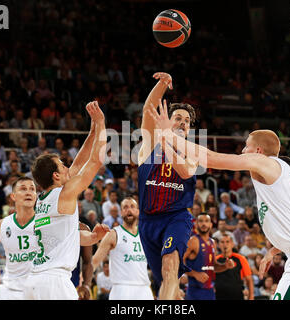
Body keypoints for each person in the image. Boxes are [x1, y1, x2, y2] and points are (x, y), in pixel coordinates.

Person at [151, 106, 290, 299]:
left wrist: (169, 136)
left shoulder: (265, 162)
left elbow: (212, 158)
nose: (242, 150)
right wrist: (273, 250)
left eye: (246, 146)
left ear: (257, 151)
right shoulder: (287, 179)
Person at [23, 101, 109, 300]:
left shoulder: (43, 201)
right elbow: (95, 161)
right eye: (62, 165)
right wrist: (103, 123)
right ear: (55, 176)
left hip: (34, 281)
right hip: (55, 282)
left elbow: (79, 162)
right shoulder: (64, 194)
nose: (67, 167)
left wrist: (93, 129)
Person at [137, 72, 197, 300]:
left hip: (176, 217)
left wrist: (169, 142)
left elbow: (183, 171)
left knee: (171, 267)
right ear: (167, 121)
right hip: (148, 221)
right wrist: (162, 85)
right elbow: (147, 110)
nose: (182, 122)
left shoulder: (192, 153)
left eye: (187, 121)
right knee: (166, 281)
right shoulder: (151, 145)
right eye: (178, 118)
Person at [91, 197, 153, 300]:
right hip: (122, 288)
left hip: (144, 288)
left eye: (132, 207)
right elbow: (95, 260)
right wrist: (83, 280)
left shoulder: (146, 234)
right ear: (121, 213)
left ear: (137, 212)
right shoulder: (113, 234)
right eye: (125, 207)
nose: (129, 210)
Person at [183, 214, 218, 300]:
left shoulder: (213, 242)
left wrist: (225, 265)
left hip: (210, 291)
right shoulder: (192, 241)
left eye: (206, 221)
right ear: (196, 224)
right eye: (201, 221)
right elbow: (179, 261)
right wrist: (195, 274)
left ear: (211, 224)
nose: (204, 224)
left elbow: (214, 267)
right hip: (195, 291)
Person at [214, 234, 254, 300]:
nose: (225, 244)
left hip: (237, 295)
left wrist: (251, 297)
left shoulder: (241, 258)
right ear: (218, 245)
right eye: (222, 242)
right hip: (218, 296)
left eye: (227, 242)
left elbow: (249, 280)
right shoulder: (215, 259)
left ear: (232, 244)